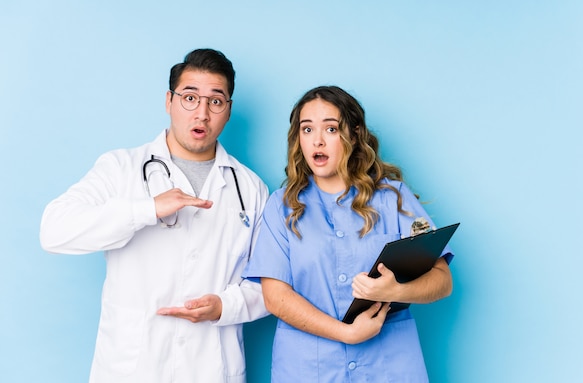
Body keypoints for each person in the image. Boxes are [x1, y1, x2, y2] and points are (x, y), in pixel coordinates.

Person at [40, 48, 269, 383]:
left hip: (210, 368)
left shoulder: (250, 189)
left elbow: (270, 284)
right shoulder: (121, 169)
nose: (202, 113)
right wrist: (145, 210)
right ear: (169, 101)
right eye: (190, 97)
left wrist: (225, 306)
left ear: (228, 110)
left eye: (215, 101)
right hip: (133, 369)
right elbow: (54, 230)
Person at [243, 85, 454, 382]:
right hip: (309, 368)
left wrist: (397, 291)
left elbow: (442, 280)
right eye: (307, 129)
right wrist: (346, 333)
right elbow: (275, 297)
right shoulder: (282, 206)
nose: (317, 140)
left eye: (331, 129)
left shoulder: (393, 198)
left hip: (389, 365)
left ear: (354, 135)